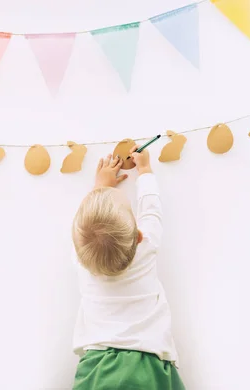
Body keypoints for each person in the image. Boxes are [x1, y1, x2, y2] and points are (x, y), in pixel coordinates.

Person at [71, 145, 184, 389]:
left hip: (98, 369)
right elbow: (151, 211)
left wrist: (101, 186)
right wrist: (144, 170)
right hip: (149, 367)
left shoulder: (82, 260)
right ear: (138, 236)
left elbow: (85, 229)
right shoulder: (146, 246)